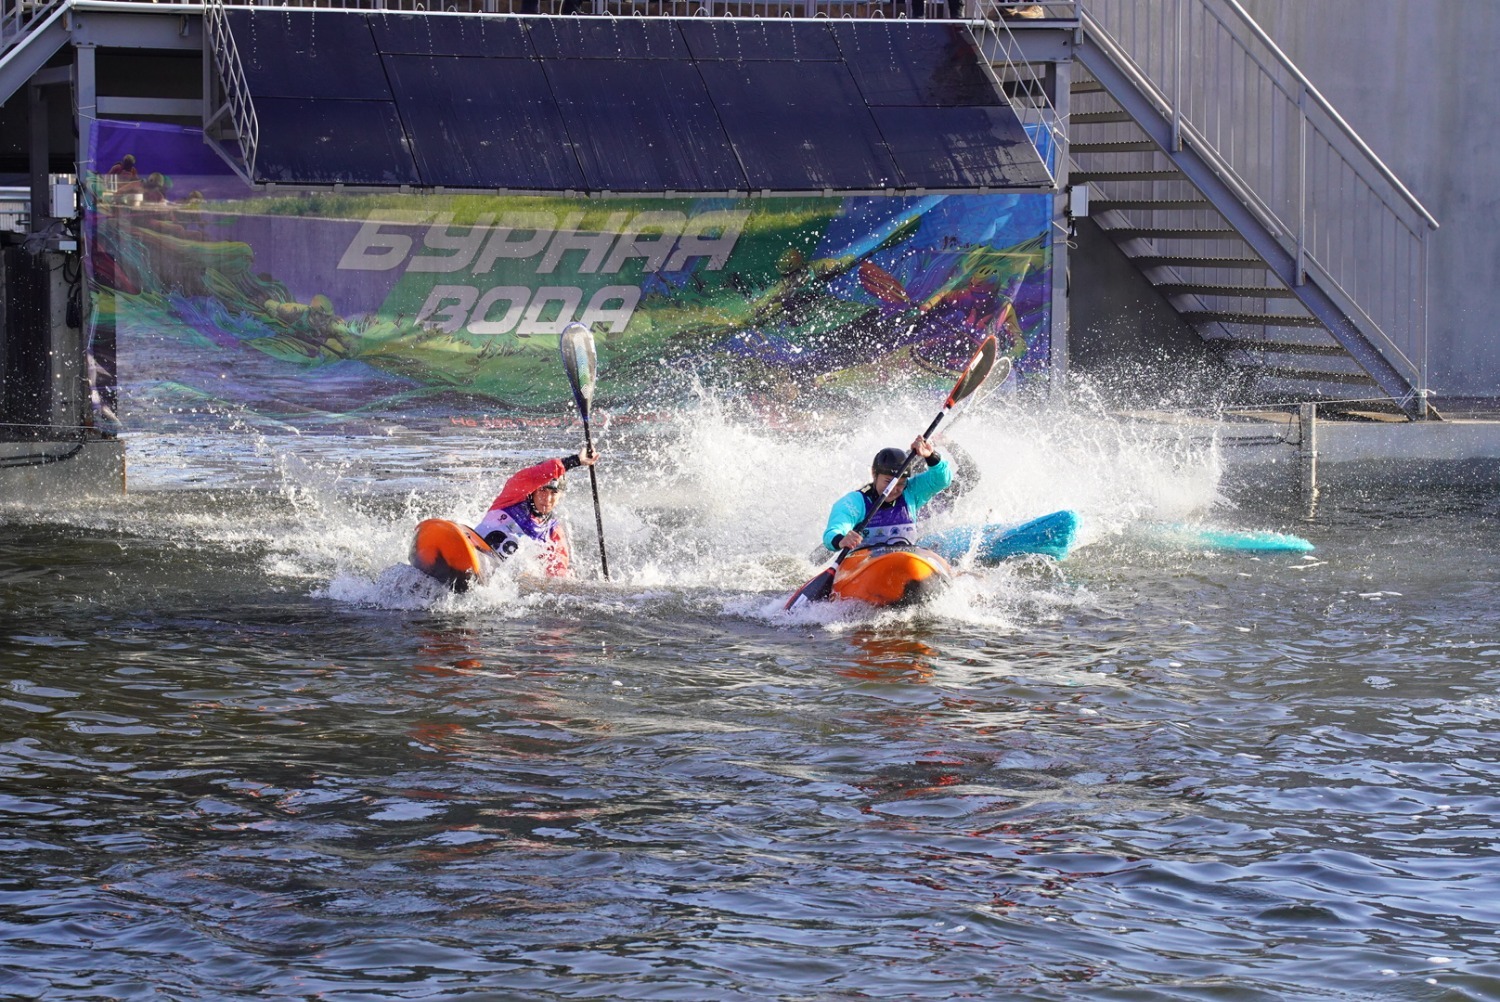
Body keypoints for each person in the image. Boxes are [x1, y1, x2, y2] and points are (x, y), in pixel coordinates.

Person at [474, 446, 599, 577]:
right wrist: (575, 461)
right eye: (542, 490)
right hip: (476, 551)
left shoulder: (553, 533)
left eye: (554, 493)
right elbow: (534, 475)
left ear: (560, 496)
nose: (547, 499)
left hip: (499, 579)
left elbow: (557, 575)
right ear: (533, 490)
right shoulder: (512, 496)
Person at [823, 436, 952, 552]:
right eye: (888, 482)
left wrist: (931, 456)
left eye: (901, 483)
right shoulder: (854, 502)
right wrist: (840, 540)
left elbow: (942, 480)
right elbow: (833, 531)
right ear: (874, 474)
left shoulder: (910, 492)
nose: (894, 489)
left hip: (904, 559)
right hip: (867, 565)